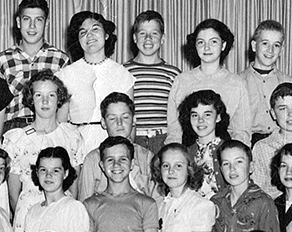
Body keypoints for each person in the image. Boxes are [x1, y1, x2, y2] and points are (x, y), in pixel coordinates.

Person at [3, 70, 83, 232]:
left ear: (59, 99)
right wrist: (28, 216)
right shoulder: (17, 138)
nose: (45, 101)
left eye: (51, 95)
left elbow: (75, 186)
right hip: (29, 214)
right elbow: (13, 193)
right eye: (39, 95)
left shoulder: (71, 136)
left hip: (62, 214)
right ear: (31, 98)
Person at [56, 11, 134, 157]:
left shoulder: (122, 74)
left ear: (106, 35)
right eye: (83, 32)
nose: (89, 35)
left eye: (95, 29)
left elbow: (129, 121)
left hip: (113, 148)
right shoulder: (65, 75)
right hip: (76, 148)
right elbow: (61, 123)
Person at [165, 19, 252, 145]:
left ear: (223, 45)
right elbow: (174, 131)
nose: (206, 47)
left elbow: (241, 132)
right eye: (201, 42)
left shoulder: (236, 83)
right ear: (195, 45)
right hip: (188, 152)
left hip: (224, 154)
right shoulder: (182, 80)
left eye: (213, 42)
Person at [0, 0, 70, 132]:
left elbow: (64, 104)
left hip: (50, 129)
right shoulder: (3, 60)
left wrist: (59, 134)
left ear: (46, 23)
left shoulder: (60, 59)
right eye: (26, 19)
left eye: (38, 20)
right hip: (12, 129)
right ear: (18, 22)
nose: (32, 26)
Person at [76, 92, 153, 200]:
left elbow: (157, 202)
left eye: (125, 117)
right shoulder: (93, 160)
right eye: (112, 118)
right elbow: (84, 203)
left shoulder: (147, 157)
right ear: (103, 123)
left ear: (134, 120)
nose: (119, 123)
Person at [124, 10, 181, 154]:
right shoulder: (122, 71)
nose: (148, 38)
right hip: (133, 139)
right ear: (135, 38)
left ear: (162, 38)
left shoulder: (174, 74)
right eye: (142, 33)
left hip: (164, 140)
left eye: (154, 33)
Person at [239, 20, 292, 145]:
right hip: (248, 144)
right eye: (265, 43)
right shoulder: (238, 81)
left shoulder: (288, 81)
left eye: (276, 45)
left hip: (282, 144)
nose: (270, 50)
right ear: (254, 46)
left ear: (281, 49)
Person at [177, 89, 232, 198]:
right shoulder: (186, 153)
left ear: (218, 117)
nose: (200, 120)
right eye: (195, 115)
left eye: (207, 115)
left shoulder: (229, 150)